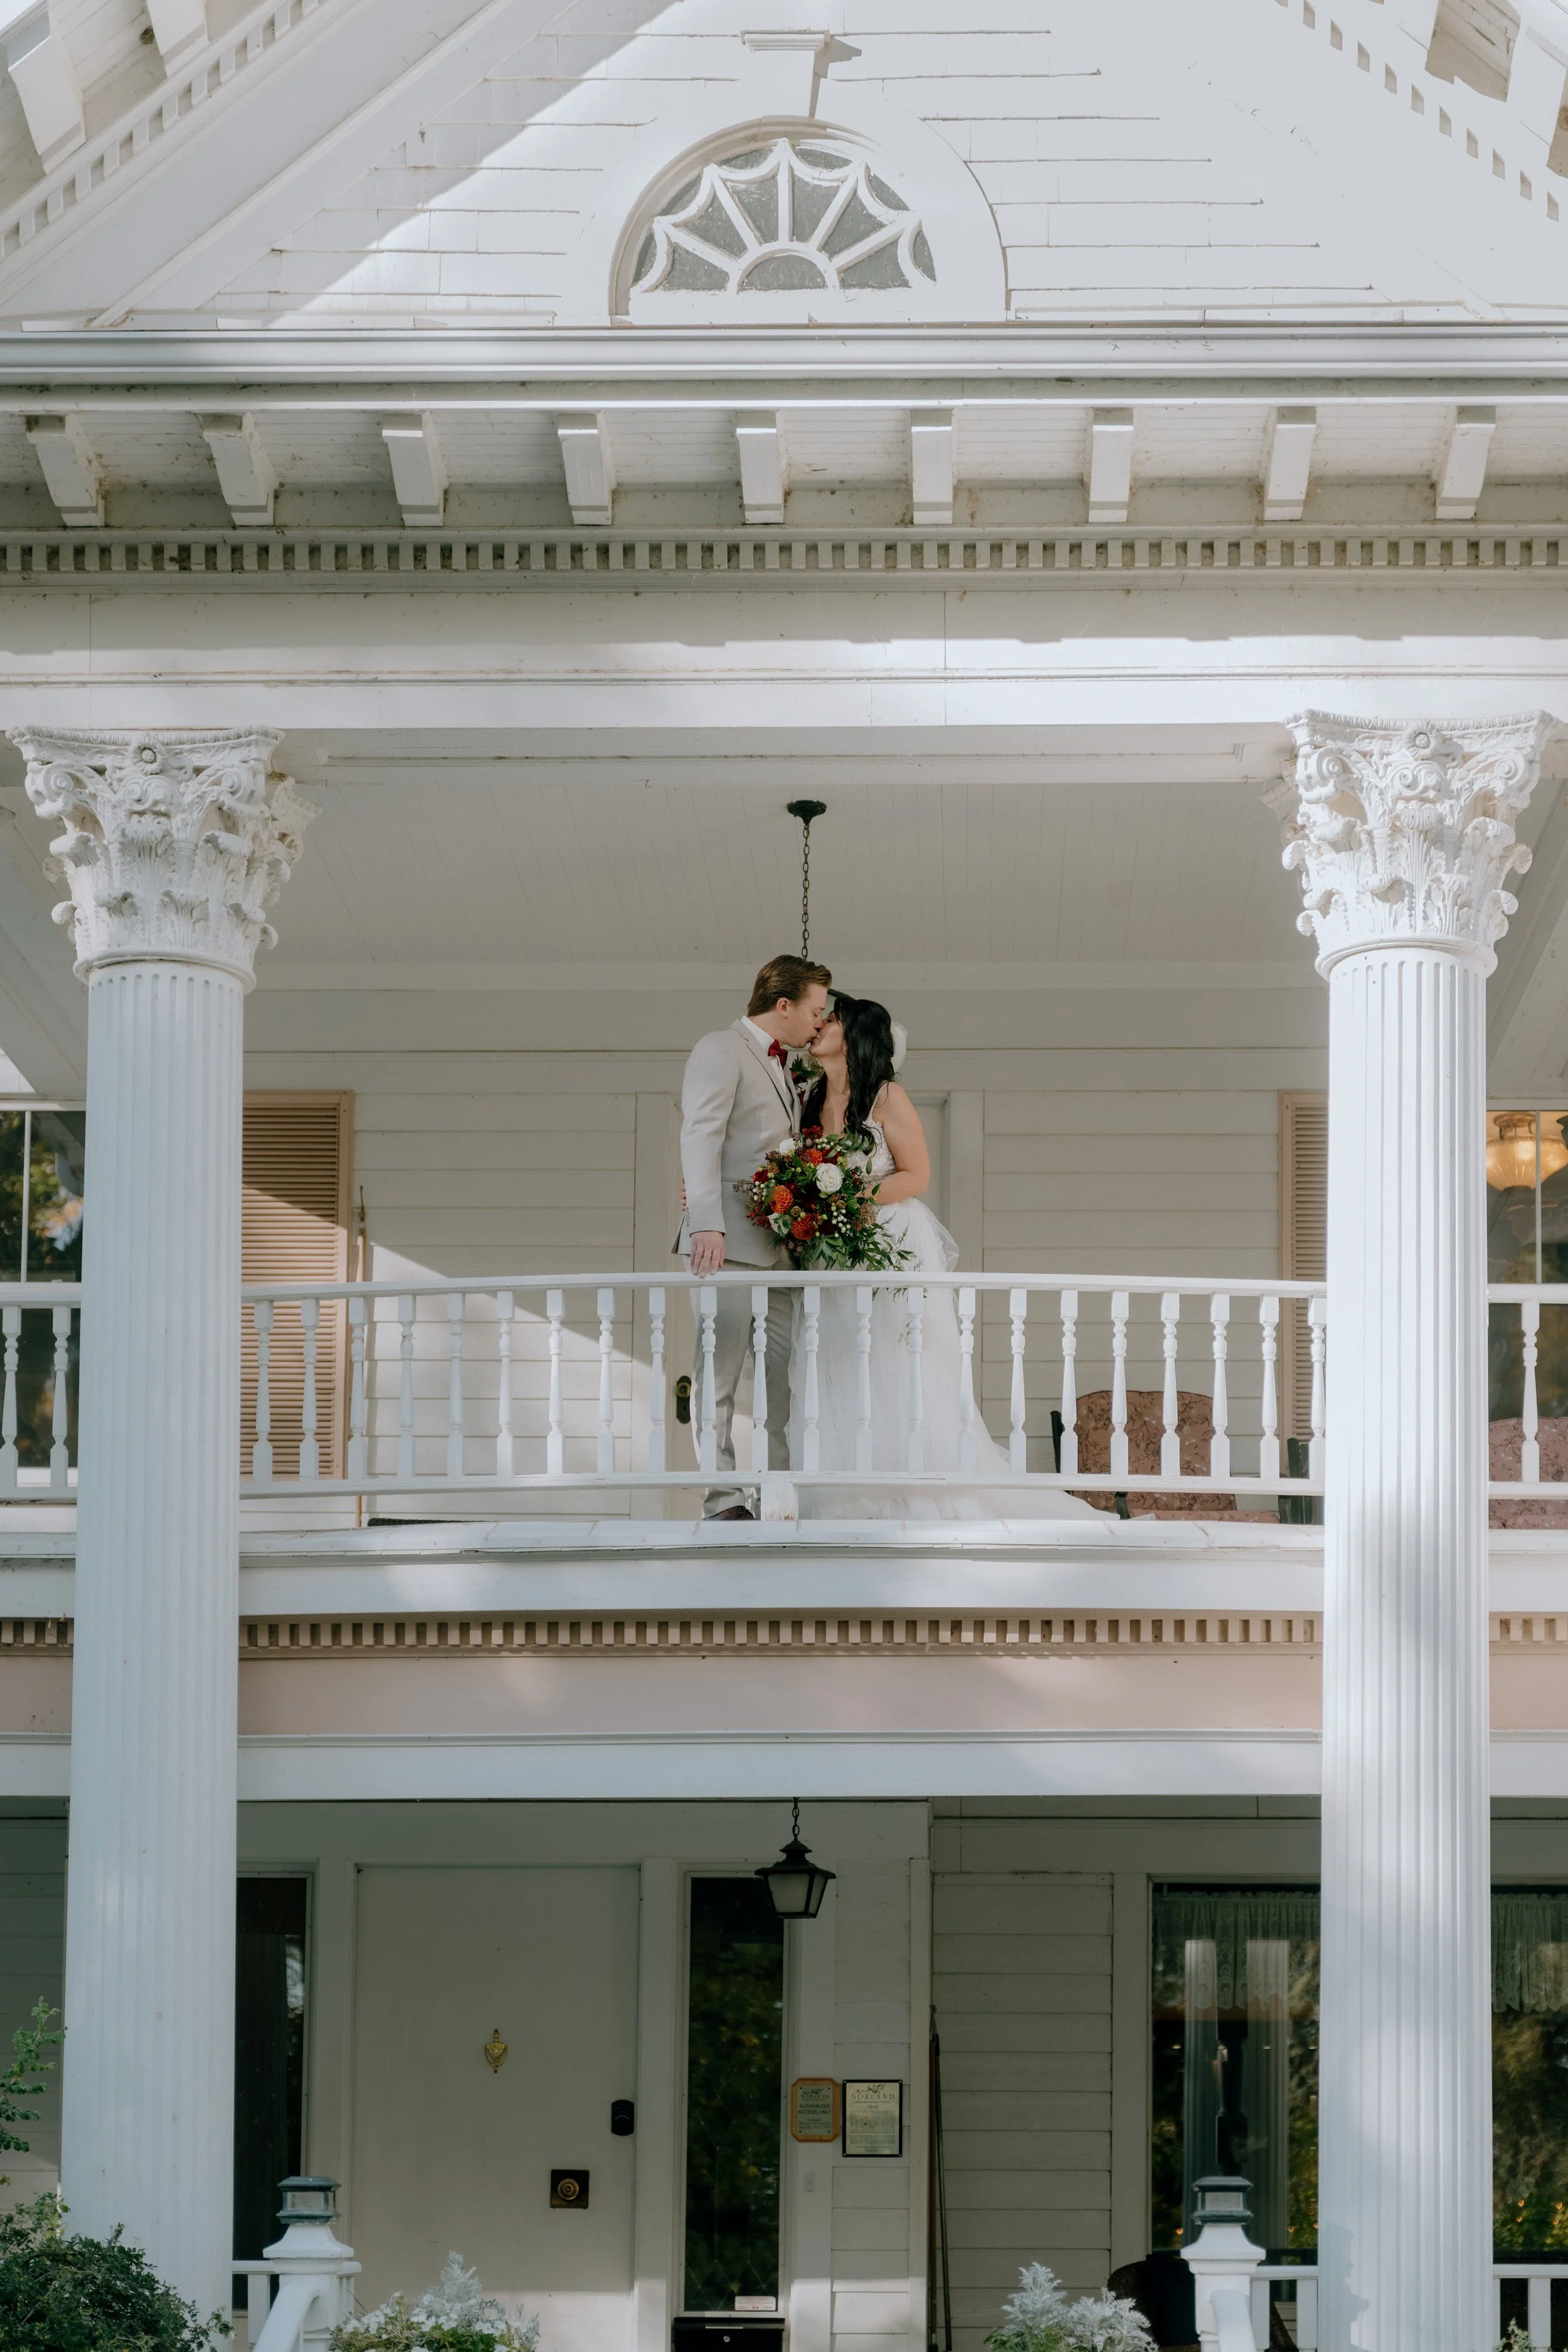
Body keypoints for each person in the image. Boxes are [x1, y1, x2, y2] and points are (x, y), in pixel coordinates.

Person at [790, 995, 1097, 1521]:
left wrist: (852, 1198)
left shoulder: (887, 1097)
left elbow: (917, 1175)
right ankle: (846, 1494)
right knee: (838, 1361)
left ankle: (911, 1489)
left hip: (886, 1242)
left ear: (856, 1034)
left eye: (831, 1020)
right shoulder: (812, 1097)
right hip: (833, 1253)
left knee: (893, 1358)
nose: (819, 1025)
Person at [677, 952, 832, 1519]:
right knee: (719, 1378)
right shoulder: (719, 1048)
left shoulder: (788, 1068)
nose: (820, 1021)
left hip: (783, 1251)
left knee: (784, 1382)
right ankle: (722, 1501)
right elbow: (700, 1134)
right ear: (783, 1004)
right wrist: (706, 1224)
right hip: (728, 1246)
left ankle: (776, 1494)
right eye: (816, 1010)